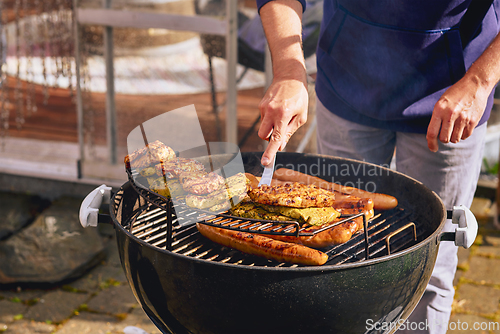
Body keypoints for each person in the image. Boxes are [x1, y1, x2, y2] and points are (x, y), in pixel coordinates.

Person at [255, 0, 500, 333]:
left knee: (430, 266)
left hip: (454, 96)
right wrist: (288, 71)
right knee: (340, 256)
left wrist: (481, 82)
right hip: (347, 88)